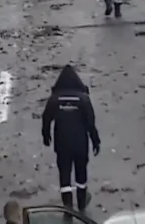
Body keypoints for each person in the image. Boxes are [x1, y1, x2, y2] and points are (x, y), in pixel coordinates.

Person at [41, 64, 101, 213]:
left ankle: (67, 207)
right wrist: (95, 141)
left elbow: (46, 118)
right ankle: (81, 205)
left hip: (62, 145)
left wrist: (46, 135)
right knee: (81, 174)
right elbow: (90, 123)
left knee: (65, 174)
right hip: (80, 144)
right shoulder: (84, 99)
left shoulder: (54, 99)